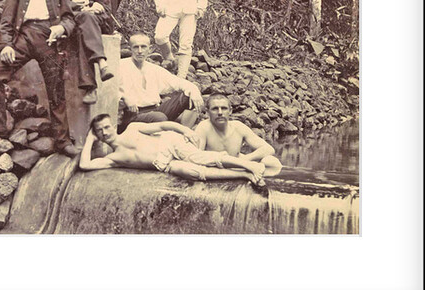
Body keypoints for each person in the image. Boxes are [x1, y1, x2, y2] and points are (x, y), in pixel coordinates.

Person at [0, 0, 76, 151]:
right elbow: (6, 20)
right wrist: (6, 45)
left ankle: (62, 140)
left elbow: (70, 18)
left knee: (56, 88)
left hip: (49, 38)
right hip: (23, 36)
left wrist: (62, 28)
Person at [79, 114, 267, 186]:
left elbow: (162, 126)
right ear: (97, 135)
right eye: (100, 131)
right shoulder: (112, 158)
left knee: (199, 157)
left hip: (169, 143)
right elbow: (85, 165)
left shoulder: (132, 128)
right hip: (163, 164)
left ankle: (247, 164)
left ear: (113, 125)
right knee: (193, 172)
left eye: (106, 127)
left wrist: (184, 129)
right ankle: (244, 175)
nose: (105, 132)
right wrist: (89, 139)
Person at [53, 0, 114, 104]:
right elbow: (58, 3)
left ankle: (90, 85)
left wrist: (93, 8)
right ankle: (99, 68)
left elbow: (105, 6)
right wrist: (81, 7)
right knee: (83, 26)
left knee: (87, 18)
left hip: (97, 20)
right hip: (70, 18)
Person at [118, 33, 203, 133]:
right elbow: (108, 90)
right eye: (136, 47)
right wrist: (125, 97)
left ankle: (183, 136)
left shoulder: (154, 69)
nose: (140, 51)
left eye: (143, 47)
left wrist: (194, 90)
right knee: (159, 117)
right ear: (130, 48)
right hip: (132, 115)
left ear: (149, 49)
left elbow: (177, 82)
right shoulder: (120, 66)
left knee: (190, 96)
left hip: (155, 110)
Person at [194, 93, 283, 177]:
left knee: (272, 162)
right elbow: (197, 157)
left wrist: (243, 161)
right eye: (215, 109)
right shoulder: (204, 127)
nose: (220, 112)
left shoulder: (238, 126)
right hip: (215, 169)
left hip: (238, 166)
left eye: (224, 108)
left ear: (230, 111)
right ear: (207, 112)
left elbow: (268, 149)